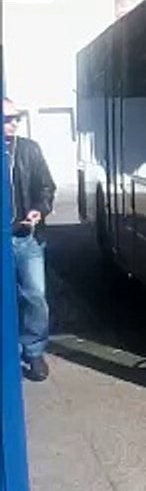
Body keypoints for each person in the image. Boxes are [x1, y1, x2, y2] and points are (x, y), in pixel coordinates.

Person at [4, 97, 56, 382]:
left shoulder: (28, 150)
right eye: (7, 119)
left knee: (35, 296)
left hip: (27, 238)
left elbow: (46, 187)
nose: (13, 123)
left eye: (16, 118)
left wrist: (38, 210)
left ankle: (34, 351)